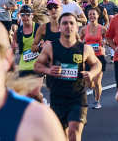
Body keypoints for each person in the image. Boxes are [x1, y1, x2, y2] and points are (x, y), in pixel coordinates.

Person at [34, 13, 102, 141]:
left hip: (77, 97)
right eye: (64, 23)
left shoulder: (85, 49)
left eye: (71, 23)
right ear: (59, 27)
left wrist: (91, 73)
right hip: (57, 98)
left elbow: (96, 64)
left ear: (77, 27)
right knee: (62, 136)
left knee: (74, 132)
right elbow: (37, 65)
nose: (68, 26)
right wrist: (48, 70)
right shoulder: (50, 47)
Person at [80, 7, 107, 109]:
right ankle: (94, 91)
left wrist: (105, 42)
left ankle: (97, 101)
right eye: (90, 14)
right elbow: (78, 42)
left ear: (98, 16)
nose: (92, 16)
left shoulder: (103, 29)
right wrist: (82, 45)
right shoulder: (83, 29)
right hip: (88, 58)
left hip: (99, 57)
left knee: (97, 81)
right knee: (89, 83)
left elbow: (109, 39)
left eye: (94, 14)